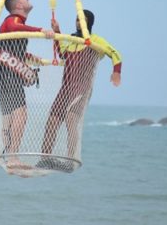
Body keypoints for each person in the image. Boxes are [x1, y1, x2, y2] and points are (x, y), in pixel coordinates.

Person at [39, 9, 121, 172]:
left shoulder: (95, 40)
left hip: (82, 88)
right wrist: (57, 32)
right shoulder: (70, 39)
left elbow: (115, 53)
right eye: (77, 19)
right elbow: (62, 53)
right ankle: (45, 158)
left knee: (70, 119)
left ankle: (70, 160)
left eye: (82, 19)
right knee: (52, 122)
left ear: (90, 22)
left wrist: (116, 71)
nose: (78, 22)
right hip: (66, 88)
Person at [0, 0, 55, 171]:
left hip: (3, 72)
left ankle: (9, 157)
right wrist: (42, 31)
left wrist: (30, 57)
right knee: (20, 114)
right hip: (6, 73)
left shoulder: (18, 25)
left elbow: (12, 50)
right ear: (18, 5)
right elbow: (12, 26)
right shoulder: (13, 19)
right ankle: (13, 157)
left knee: (10, 116)